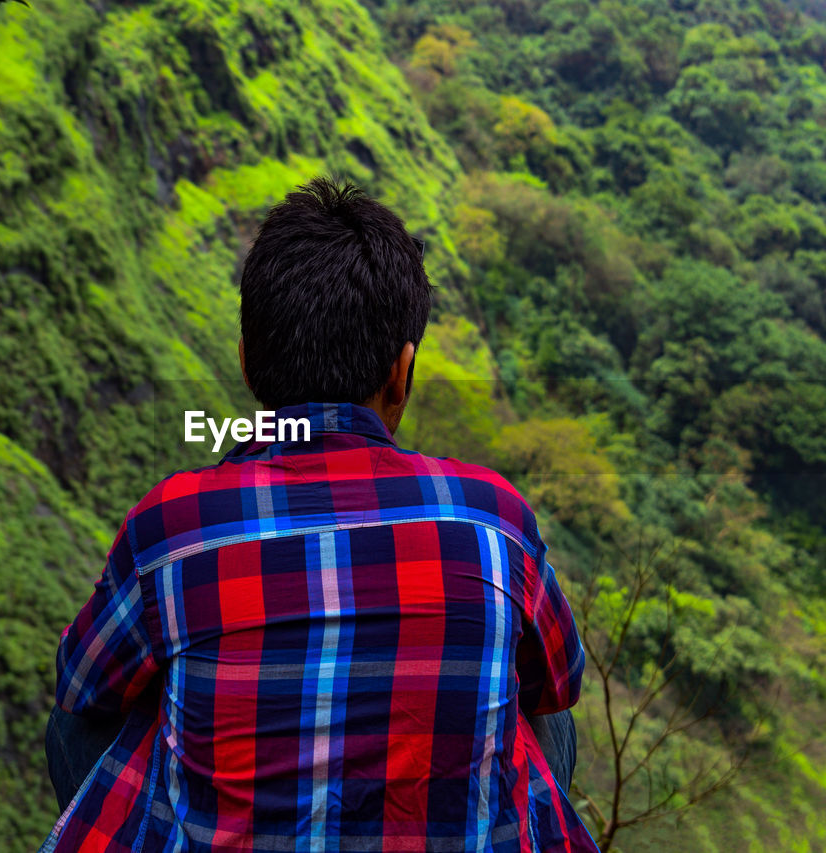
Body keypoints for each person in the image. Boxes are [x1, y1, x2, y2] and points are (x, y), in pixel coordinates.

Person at [40, 178, 598, 853]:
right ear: (403, 371)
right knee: (540, 712)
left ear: (248, 365)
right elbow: (560, 682)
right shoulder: (493, 519)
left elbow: (78, 683)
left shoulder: (174, 523)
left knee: (95, 709)